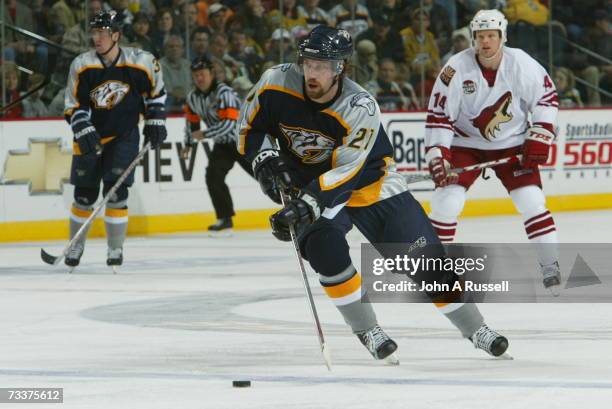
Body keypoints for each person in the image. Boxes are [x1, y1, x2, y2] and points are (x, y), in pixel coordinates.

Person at [237, 25, 509, 362]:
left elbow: (347, 171)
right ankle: (367, 329)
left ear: (341, 68)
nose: (313, 72)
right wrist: (265, 162)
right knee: (326, 252)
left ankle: (475, 328)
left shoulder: (359, 106)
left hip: (369, 185)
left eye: (323, 66)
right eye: (308, 63)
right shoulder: (275, 83)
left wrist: (305, 206)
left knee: (425, 263)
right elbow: (249, 127)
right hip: (308, 187)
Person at [424, 10, 561, 294]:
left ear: (502, 36)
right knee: (446, 203)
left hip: (511, 143)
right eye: (480, 36)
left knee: (531, 200)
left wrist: (540, 133)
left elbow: (546, 98)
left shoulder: (521, 62)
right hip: (465, 145)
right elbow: (439, 115)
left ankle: (551, 265)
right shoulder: (455, 68)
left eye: (491, 36)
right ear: (473, 38)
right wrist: (438, 154)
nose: (485, 42)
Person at [63, 10, 167, 270]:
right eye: (94, 32)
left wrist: (156, 120)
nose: (97, 38)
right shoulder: (81, 64)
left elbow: (157, 94)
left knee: (116, 192)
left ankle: (115, 248)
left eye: (103, 33)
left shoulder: (141, 62)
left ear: (116, 35)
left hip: (124, 136)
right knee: (84, 196)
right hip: (90, 137)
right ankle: (76, 244)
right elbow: (73, 104)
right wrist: (82, 127)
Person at [181, 56, 253, 233]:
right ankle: (225, 219)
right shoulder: (192, 98)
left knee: (265, 176)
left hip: (244, 141)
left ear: (212, 74)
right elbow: (191, 123)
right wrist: (188, 144)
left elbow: (229, 124)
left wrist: (204, 134)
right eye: (196, 75)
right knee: (213, 177)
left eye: (202, 74)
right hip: (223, 145)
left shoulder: (225, 93)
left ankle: (295, 204)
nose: (199, 78)